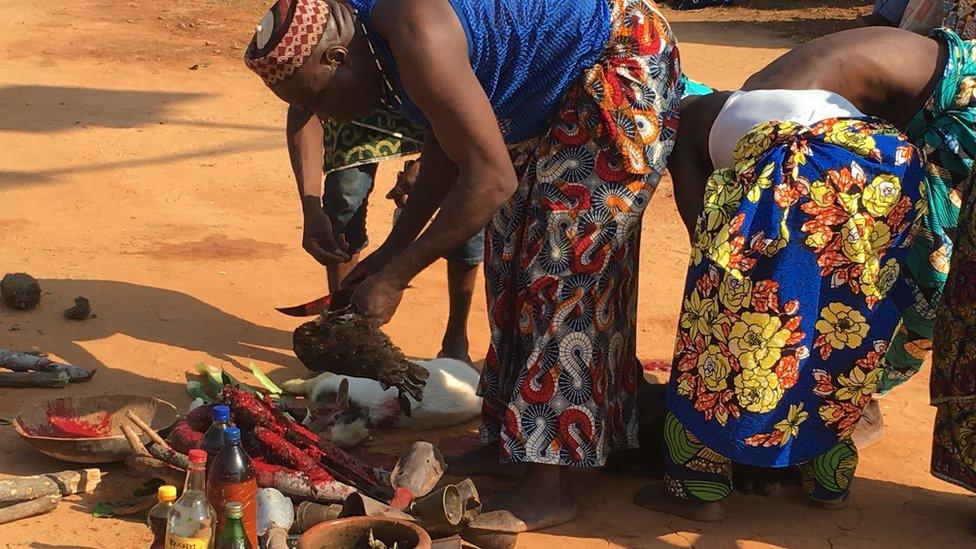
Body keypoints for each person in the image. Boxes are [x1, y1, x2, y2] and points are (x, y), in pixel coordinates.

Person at [244, 0, 681, 531]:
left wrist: (398, 274)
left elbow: (490, 179)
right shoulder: (377, 43)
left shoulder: (414, 30)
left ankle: (552, 481)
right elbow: (447, 142)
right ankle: (511, 441)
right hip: (547, 87)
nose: (332, 118)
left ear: (336, 57)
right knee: (511, 260)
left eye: (323, 100)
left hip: (612, 63)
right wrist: (388, 251)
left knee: (562, 271)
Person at [645, 25, 976, 522]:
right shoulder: (765, 91)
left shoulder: (688, 119)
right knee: (836, 328)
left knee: (721, 332)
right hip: (889, 159)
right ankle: (828, 480)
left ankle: (699, 487)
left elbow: (705, 239)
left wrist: (731, 290)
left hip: (798, 156)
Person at [288, 107, 482, 361]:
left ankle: (455, 342)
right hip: (360, 108)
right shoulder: (314, 79)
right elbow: (303, 109)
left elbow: (492, 180)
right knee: (344, 198)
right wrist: (311, 209)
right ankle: (345, 329)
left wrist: (432, 165)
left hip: (444, 110)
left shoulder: (431, 71)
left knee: (463, 201)